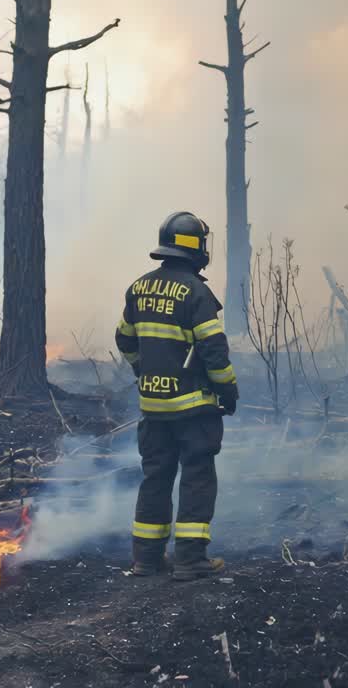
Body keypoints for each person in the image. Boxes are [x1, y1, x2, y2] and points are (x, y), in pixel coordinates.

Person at [114, 211, 239, 581]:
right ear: (196, 248)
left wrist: (143, 371)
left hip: (152, 408)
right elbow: (214, 352)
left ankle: (147, 560)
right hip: (193, 409)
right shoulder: (197, 293)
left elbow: (124, 339)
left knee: (155, 477)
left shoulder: (138, 288)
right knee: (197, 477)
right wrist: (227, 390)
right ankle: (189, 559)